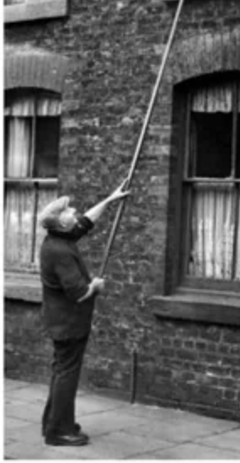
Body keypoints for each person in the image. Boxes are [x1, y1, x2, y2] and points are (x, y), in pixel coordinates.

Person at [39, 184, 130, 447]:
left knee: (61, 373)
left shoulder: (59, 238)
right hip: (69, 323)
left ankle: (53, 424)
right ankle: (59, 432)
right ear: (59, 222)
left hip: (62, 322)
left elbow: (86, 222)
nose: (74, 211)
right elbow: (78, 292)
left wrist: (110, 198)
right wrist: (96, 286)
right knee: (66, 375)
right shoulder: (60, 251)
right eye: (68, 210)